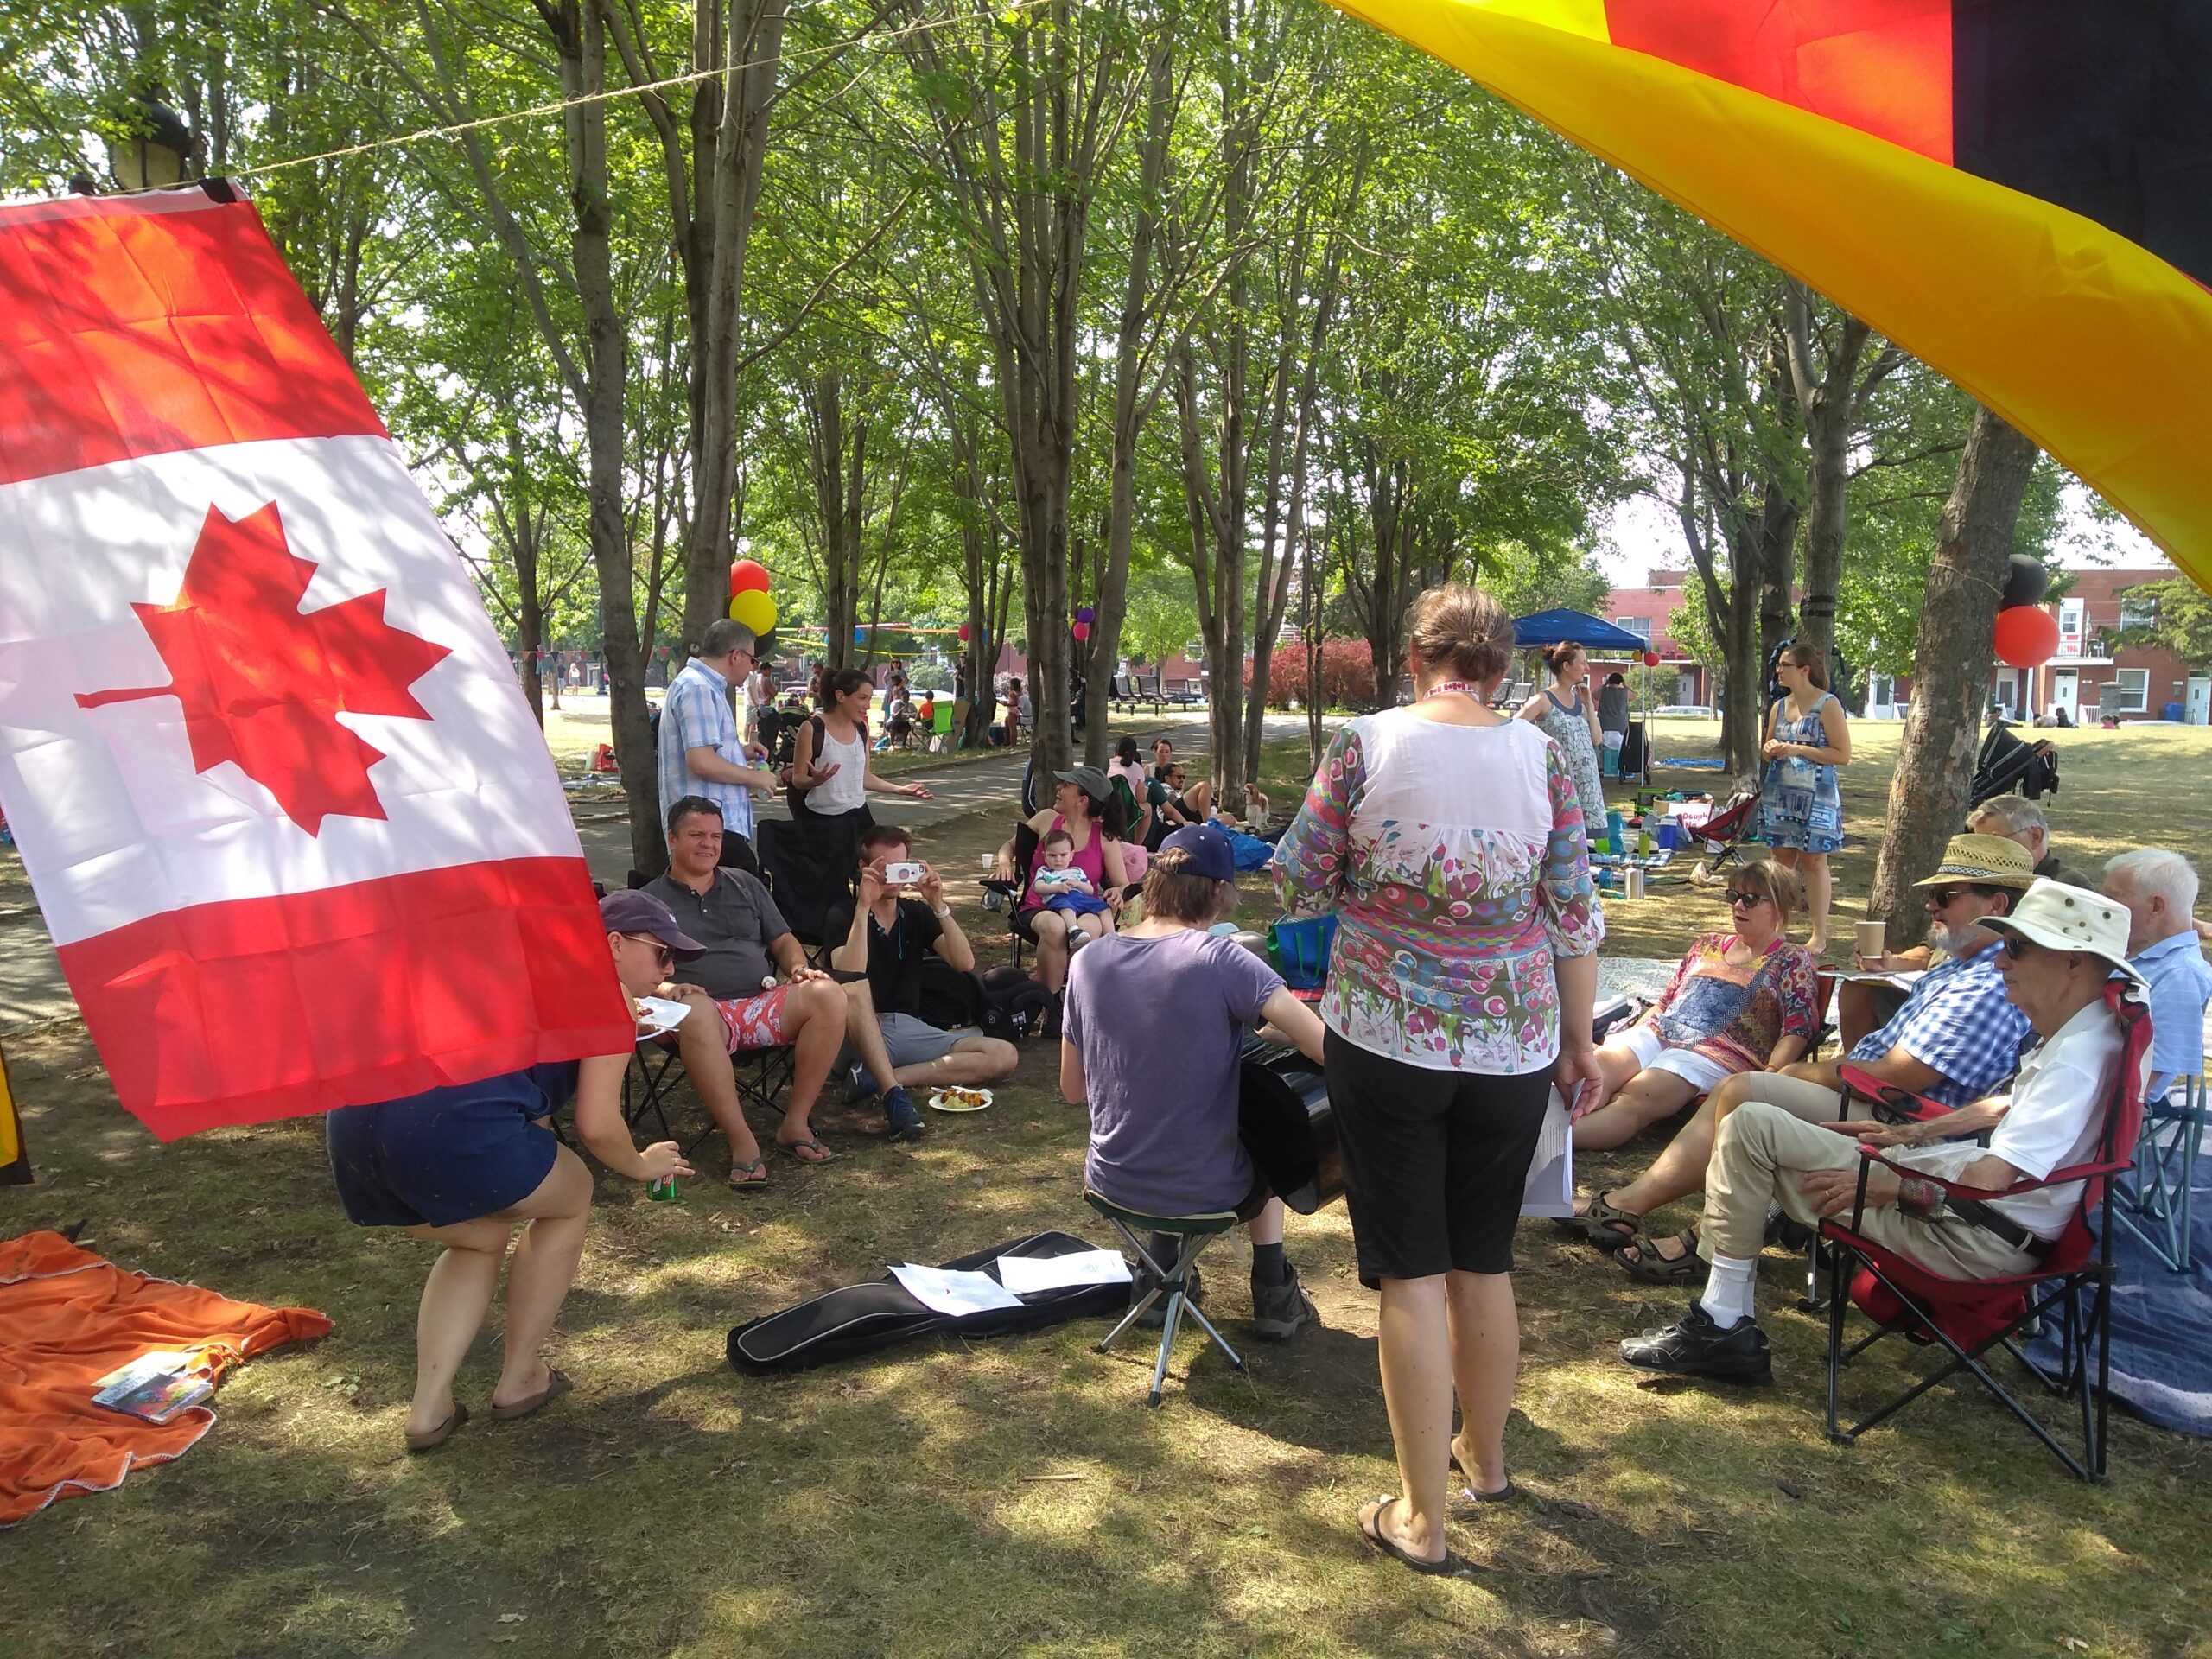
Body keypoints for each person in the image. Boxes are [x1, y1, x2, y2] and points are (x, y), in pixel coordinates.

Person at [1272, 582, 1604, 1575]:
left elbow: (1294, 878)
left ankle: (1423, 1519)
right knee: (1483, 1262)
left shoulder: (1364, 744)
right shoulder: (1542, 754)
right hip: (1512, 1048)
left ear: (1412, 660)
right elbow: (1575, 912)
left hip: (1387, 1042)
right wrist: (1579, 1040)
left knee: (1411, 1274)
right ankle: (1486, 1463)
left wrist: (1371, 887)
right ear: (1503, 668)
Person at [1619, 878, 2139, 1386]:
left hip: (1966, 1234)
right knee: (1751, 1122)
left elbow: (1992, 1179)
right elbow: (2012, 1105)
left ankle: (1723, 1320)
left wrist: (1894, 1185)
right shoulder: (2095, 1029)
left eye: (2019, 947)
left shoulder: (2077, 1060)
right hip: (1967, 1207)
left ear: (2074, 961)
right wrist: (1912, 1140)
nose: (2002, 958)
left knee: (1752, 1129)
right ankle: (1722, 1312)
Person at [326, 890, 696, 1452]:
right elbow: (598, 1127)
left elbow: (528, 1100)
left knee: (480, 1237)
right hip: (446, 1131)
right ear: (614, 945)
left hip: (356, 1131)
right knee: (575, 1193)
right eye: (663, 955)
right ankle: (520, 1377)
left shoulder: (515, 962)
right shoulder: (608, 994)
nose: (669, 971)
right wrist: (643, 1166)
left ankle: (430, 1410)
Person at [1571, 835, 2037, 1280]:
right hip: (1877, 1099)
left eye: (1946, 895)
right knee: (1730, 1094)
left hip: (1899, 1119)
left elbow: (1902, 1075)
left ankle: (1681, 1230)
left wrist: (1805, 1072)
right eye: (1933, 894)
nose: (1931, 905)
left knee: (1743, 1095)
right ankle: (1652, 1214)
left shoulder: (1985, 984)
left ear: (1997, 905)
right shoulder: (1964, 967)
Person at [1061, 824, 1328, 1338]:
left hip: (1112, 1181)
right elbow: (1323, 1047)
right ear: (1215, 893)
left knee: (1167, 1111)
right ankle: (1273, 1287)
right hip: (1202, 1190)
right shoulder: (1222, 958)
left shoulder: (1088, 959)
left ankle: (1160, 1272)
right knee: (1267, 1128)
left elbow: (1073, 1091)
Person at [648, 796, 925, 1158]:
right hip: (695, 1011)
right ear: (672, 839)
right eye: (697, 834)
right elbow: (641, 974)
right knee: (697, 1011)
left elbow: (782, 939)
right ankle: (742, 1141)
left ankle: (795, 1122)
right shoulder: (650, 901)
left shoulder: (745, 884)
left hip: (755, 1003)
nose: (709, 844)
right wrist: (670, 987)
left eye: (716, 836)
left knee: (828, 993)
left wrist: (797, 967)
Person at [1569, 861, 1819, 1153]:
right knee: (1598, 1070)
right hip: (1662, 1031)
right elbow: (1665, 1003)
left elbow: (1797, 1029)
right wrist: (1632, 1036)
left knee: (1635, 1097)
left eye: (1750, 899)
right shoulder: (1706, 944)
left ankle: (1547, 1143)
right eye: (1733, 896)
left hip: (1717, 1052)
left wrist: (1769, 1077)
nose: (1738, 905)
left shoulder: (1792, 960)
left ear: (1778, 908)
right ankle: (1541, 1127)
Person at [1839, 797, 2076, 1048]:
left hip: (1972, 1000)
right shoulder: (1966, 906)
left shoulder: (2064, 890)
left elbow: (2060, 972)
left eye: (1993, 840)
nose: (1931, 905)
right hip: (1941, 982)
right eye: (1933, 894)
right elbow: (1930, 950)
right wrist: (1892, 962)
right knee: (1858, 989)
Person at [832, 823, 1020, 1092]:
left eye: (901, 868)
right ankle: (880, 1075)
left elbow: (964, 963)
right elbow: (850, 975)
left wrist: (939, 905)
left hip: (908, 1029)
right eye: (885, 868)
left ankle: (880, 1080)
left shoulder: (915, 913)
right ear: (864, 867)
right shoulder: (842, 914)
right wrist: (863, 908)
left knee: (1003, 1054)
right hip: (861, 1030)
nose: (894, 878)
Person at [786, 666, 932, 937]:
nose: (868, 705)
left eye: (869, 698)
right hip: (821, 827)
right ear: (841, 696)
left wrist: (901, 790)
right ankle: (838, 943)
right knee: (830, 894)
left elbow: (864, 777)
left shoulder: (862, 729)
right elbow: (797, 778)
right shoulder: (813, 728)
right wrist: (814, 781)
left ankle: (879, 934)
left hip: (858, 821)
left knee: (880, 878)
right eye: (862, 698)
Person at [992, 766, 1131, 998]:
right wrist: (1004, 863)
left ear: (1082, 800)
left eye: (1066, 786)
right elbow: (1009, 847)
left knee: (1089, 928)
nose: (1059, 787)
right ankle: (1051, 1001)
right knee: (1056, 927)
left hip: (1084, 906)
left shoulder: (1105, 838)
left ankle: (1078, 1000)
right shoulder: (1047, 819)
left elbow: (1123, 884)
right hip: (1040, 904)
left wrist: (1117, 891)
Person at [1755, 641, 1851, 953]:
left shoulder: (1828, 704)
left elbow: (1842, 754)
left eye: (1785, 665)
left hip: (1817, 795)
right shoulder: (1778, 706)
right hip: (1780, 793)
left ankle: (1818, 935)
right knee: (1781, 861)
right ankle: (1777, 928)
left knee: (1814, 860)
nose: (1779, 670)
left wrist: (1798, 749)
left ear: (1805, 670)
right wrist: (1770, 749)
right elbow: (1767, 751)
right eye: (1778, 665)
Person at [657, 620, 776, 862]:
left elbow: (699, 752)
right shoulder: (699, 688)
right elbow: (702, 762)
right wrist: (756, 777)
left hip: (707, 831)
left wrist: (739, 753)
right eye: (752, 660)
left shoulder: (699, 685)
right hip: (707, 832)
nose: (752, 667)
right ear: (735, 656)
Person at [2103, 849, 2212, 1101]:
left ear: (2156, 906)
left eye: (2113, 899)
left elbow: (2141, 1087)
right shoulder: (2139, 954)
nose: (2103, 908)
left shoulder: (2179, 974)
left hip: (2095, 1107)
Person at [1516, 641, 1605, 835]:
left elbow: (1597, 740)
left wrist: (1589, 704)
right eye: (1582, 663)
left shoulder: (1580, 704)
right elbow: (1513, 728)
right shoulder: (1543, 700)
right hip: (1559, 788)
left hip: (1587, 786)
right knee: (1562, 844)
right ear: (1566, 666)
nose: (1587, 668)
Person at [1028, 828, 1116, 948]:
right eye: (1052, 855)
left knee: (1105, 908)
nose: (1058, 859)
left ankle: (1111, 939)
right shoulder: (1044, 871)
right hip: (1059, 898)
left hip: (1080, 898)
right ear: (1044, 856)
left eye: (1063, 855)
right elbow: (1039, 887)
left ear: (1071, 855)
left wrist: (1079, 884)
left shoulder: (1077, 871)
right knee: (1066, 907)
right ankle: (1074, 931)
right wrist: (1057, 888)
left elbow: (1090, 890)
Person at [1597, 671, 1630, 772]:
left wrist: (1604, 684)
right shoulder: (1625, 692)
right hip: (1621, 726)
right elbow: (1635, 695)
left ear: (1609, 681)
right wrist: (1625, 685)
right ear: (1621, 682)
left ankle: (1603, 765)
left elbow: (1594, 695)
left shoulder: (1603, 691)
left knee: (1602, 747)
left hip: (1604, 725)